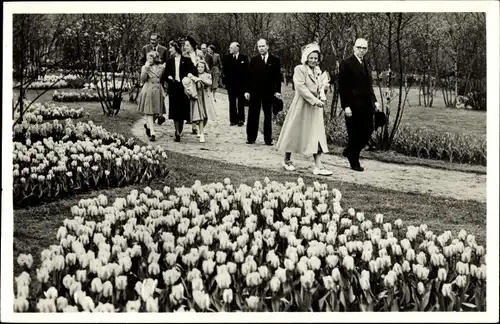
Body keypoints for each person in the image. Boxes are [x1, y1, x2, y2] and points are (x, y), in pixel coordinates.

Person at [276, 42, 332, 176]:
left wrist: (323, 89)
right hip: (301, 106)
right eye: (311, 57)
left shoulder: (318, 71)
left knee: (317, 134)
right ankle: (287, 160)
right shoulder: (299, 69)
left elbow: (320, 87)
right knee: (294, 131)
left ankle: (318, 165)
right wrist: (314, 100)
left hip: (315, 109)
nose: (313, 60)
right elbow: (300, 88)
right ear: (306, 58)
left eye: (315, 58)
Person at [338, 38, 380, 171]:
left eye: (364, 48)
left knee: (368, 130)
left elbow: (369, 86)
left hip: (366, 104)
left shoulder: (366, 63)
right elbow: (343, 87)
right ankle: (354, 161)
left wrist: (375, 101)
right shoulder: (346, 63)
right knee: (355, 134)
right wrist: (346, 106)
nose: (362, 50)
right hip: (353, 104)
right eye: (359, 47)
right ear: (354, 48)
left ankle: (350, 151)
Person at [245, 39, 282, 146]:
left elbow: (277, 78)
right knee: (253, 115)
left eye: (262, 46)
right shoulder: (254, 60)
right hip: (255, 92)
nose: (261, 48)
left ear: (267, 47)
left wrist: (277, 91)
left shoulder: (275, 60)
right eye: (259, 46)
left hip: (269, 92)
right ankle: (251, 138)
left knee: (268, 116)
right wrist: (247, 90)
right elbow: (249, 77)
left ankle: (268, 139)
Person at [163, 40, 196, 142]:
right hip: (173, 87)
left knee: (182, 110)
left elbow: (193, 71)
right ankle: (177, 132)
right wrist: (168, 77)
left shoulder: (186, 60)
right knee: (174, 110)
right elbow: (165, 74)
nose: (170, 50)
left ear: (176, 48)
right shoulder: (169, 61)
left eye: (171, 48)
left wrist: (188, 77)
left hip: (183, 87)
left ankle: (180, 129)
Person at [137, 51, 166, 142]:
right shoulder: (145, 67)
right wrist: (146, 68)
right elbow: (143, 79)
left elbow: (163, 78)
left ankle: (148, 125)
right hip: (149, 89)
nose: (149, 60)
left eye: (150, 58)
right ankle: (152, 133)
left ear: (155, 58)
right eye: (148, 58)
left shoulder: (161, 67)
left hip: (158, 90)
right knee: (149, 111)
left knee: (156, 112)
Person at [186, 60, 217, 143]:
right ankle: (202, 134)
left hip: (206, 97)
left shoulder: (207, 75)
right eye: (198, 66)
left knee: (206, 116)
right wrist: (194, 78)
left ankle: (200, 129)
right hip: (198, 97)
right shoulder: (194, 75)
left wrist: (200, 80)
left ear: (205, 68)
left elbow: (209, 83)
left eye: (202, 67)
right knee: (200, 116)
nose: (200, 68)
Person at [222, 42, 249, 127]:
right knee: (232, 102)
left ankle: (241, 119)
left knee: (241, 101)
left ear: (237, 48)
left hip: (241, 84)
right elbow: (224, 71)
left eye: (231, 47)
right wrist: (226, 81)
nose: (229, 49)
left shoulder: (244, 58)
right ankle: (233, 120)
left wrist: (245, 85)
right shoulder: (227, 58)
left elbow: (246, 72)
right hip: (231, 84)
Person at [183, 36, 204, 135]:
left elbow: (204, 65)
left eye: (187, 45)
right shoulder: (184, 55)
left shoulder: (199, 54)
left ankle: (196, 124)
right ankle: (192, 122)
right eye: (185, 45)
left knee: (198, 102)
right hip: (189, 81)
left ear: (192, 46)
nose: (185, 47)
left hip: (198, 80)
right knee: (190, 101)